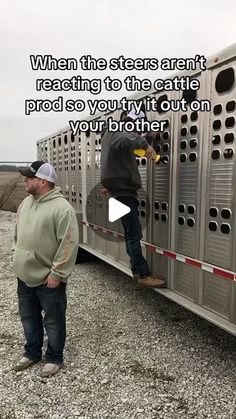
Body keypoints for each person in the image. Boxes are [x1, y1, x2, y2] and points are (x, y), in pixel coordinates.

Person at [12, 161, 79, 377]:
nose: (25, 180)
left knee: (53, 320)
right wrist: (19, 258)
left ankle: (54, 358)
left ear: (43, 181)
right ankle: (32, 352)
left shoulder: (62, 209)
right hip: (24, 277)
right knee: (28, 317)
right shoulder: (25, 204)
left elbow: (68, 244)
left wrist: (57, 274)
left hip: (48, 280)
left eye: (29, 177)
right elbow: (17, 235)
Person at [101, 110, 165, 288]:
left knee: (131, 233)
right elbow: (132, 140)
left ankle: (136, 270)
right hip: (122, 193)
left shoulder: (112, 133)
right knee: (134, 233)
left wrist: (149, 141)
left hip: (120, 191)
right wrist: (146, 142)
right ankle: (144, 274)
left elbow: (136, 150)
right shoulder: (117, 131)